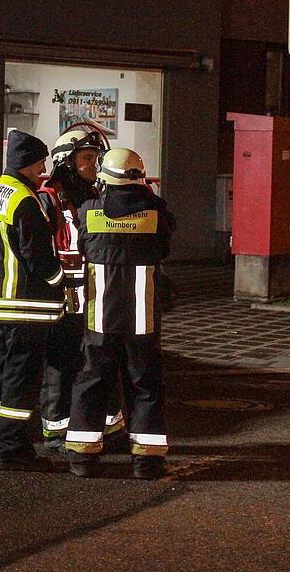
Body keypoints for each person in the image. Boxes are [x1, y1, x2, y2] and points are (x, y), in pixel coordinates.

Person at [65, 148, 175, 480]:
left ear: (104, 181)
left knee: (92, 382)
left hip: (100, 316)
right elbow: (165, 248)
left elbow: (83, 247)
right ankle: (147, 462)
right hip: (142, 317)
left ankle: (83, 459)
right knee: (145, 384)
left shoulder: (88, 211)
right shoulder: (156, 212)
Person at [0, 129, 66, 472]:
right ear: (27, 162)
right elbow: (38, 256)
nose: (43, 167)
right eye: (40, 161)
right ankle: (13, 449)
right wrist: (59, 279)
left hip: (0, 303)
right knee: (21, 381)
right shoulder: (24, 201)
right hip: (26, 305)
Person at [36, 131, 125, 452]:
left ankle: (108, 428)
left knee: (101, 362)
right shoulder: (49, 198)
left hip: (98, 296)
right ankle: (57, 432)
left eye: (96, 157)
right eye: (86, 158)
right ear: (66, 161)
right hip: (64, 296)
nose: (94, 163)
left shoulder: (100, 195)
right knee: (61, 366)